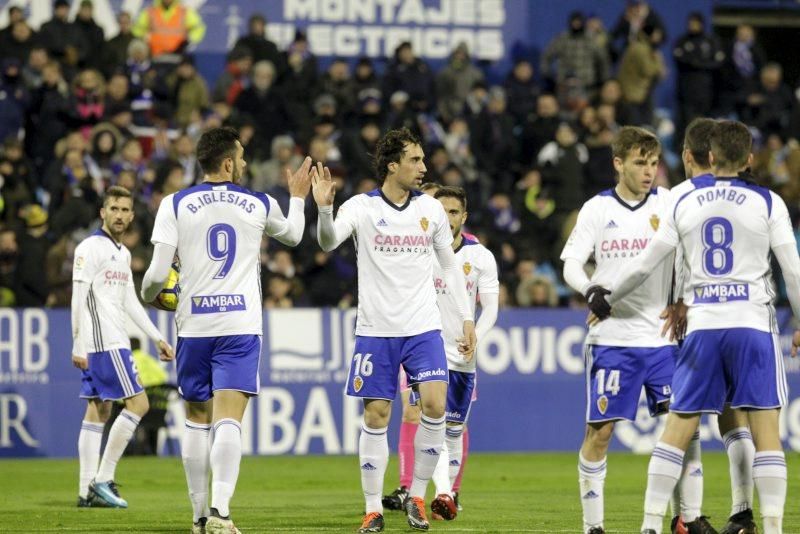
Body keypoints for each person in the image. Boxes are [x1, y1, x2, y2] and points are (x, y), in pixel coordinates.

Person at [596, 120, 800, 534]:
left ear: (708, 158)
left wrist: (607, 298)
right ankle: (771, 526)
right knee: (764, 429)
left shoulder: (683, 200)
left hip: (703, 323)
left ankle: (651, 525)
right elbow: (792, 271)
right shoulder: (768, 202)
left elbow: (645, 263)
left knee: (677, 428)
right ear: (747, 159)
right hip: (752, 323)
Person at [141, 127, 313, 534]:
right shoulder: (257, 202)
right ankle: (220, 512)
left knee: (197, 420)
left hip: (194, 326)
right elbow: (293, 235)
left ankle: (199, 518)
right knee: (229, 421)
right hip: (239, 325)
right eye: (242, 157)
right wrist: (299, 200)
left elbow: (153, 276)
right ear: (227, 163)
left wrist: (154, 297)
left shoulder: (175, 203)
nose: (246, 164)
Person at [312, 128, 476, 533]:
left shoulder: (431, 210)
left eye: (422, 160)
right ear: (392, 165)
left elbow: (449, 267)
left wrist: (466, 318)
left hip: (423, 327)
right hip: (376, 329)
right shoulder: (362, 207)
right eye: (415, 160)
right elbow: (329, 242)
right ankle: (373, 509)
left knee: (435, 406)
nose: (423, 167)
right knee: (378, 413)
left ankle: (416, 497)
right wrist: (324, 210)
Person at [561, 126, 710, 534]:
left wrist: (682, 297)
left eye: (653, 163)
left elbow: (690, 256)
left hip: (662, 339)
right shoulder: (596, 209)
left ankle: (688, 520)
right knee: (600, 433)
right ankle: (593, 527)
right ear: (618, 163)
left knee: (685, 429)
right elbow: (572, 262)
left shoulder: (670, 201)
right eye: (640, 163)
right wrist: (589, 287)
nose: (649, 171)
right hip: (612, 338)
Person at [665, 118, 759, 534]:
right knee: (733, 416)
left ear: (690, 155)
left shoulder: (677, 198)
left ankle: (685, 516)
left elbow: (664, 261)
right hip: (744, 315)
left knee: (683, 417)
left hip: (686, 320)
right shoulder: (754, 198)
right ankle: (743, 514)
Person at [382, 184, 496, 518]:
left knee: (454, 427)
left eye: (453, 212)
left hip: (463, 353)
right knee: (420, 414)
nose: (446, 218)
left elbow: (490, 308)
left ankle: (450, 492)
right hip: (422, 348)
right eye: (441, 211)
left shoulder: (480, 256)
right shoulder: (417, 250)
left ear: (464, 216)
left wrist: (475, 334)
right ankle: (418, 489)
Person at [72, 185, 174, 509]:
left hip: (108, 340)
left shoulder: (123, 253)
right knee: (139, 404)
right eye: (113, 208)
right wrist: (78, 342)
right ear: (103, 212)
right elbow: (77, 298)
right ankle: (103, 479)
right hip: (105, 343)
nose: (119, 215)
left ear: (131, 216)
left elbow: (130, 301)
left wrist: (157, 336)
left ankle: (86, 490)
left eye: (124, 210)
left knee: (98, 410)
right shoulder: (90, 248)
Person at [132, 0, 206, 58]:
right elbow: (137, 30)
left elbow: (198, 27)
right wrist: (144, 40)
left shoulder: (184, 12)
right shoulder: (150, 12)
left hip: (178, 55)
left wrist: (189, 41)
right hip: (154, 56)